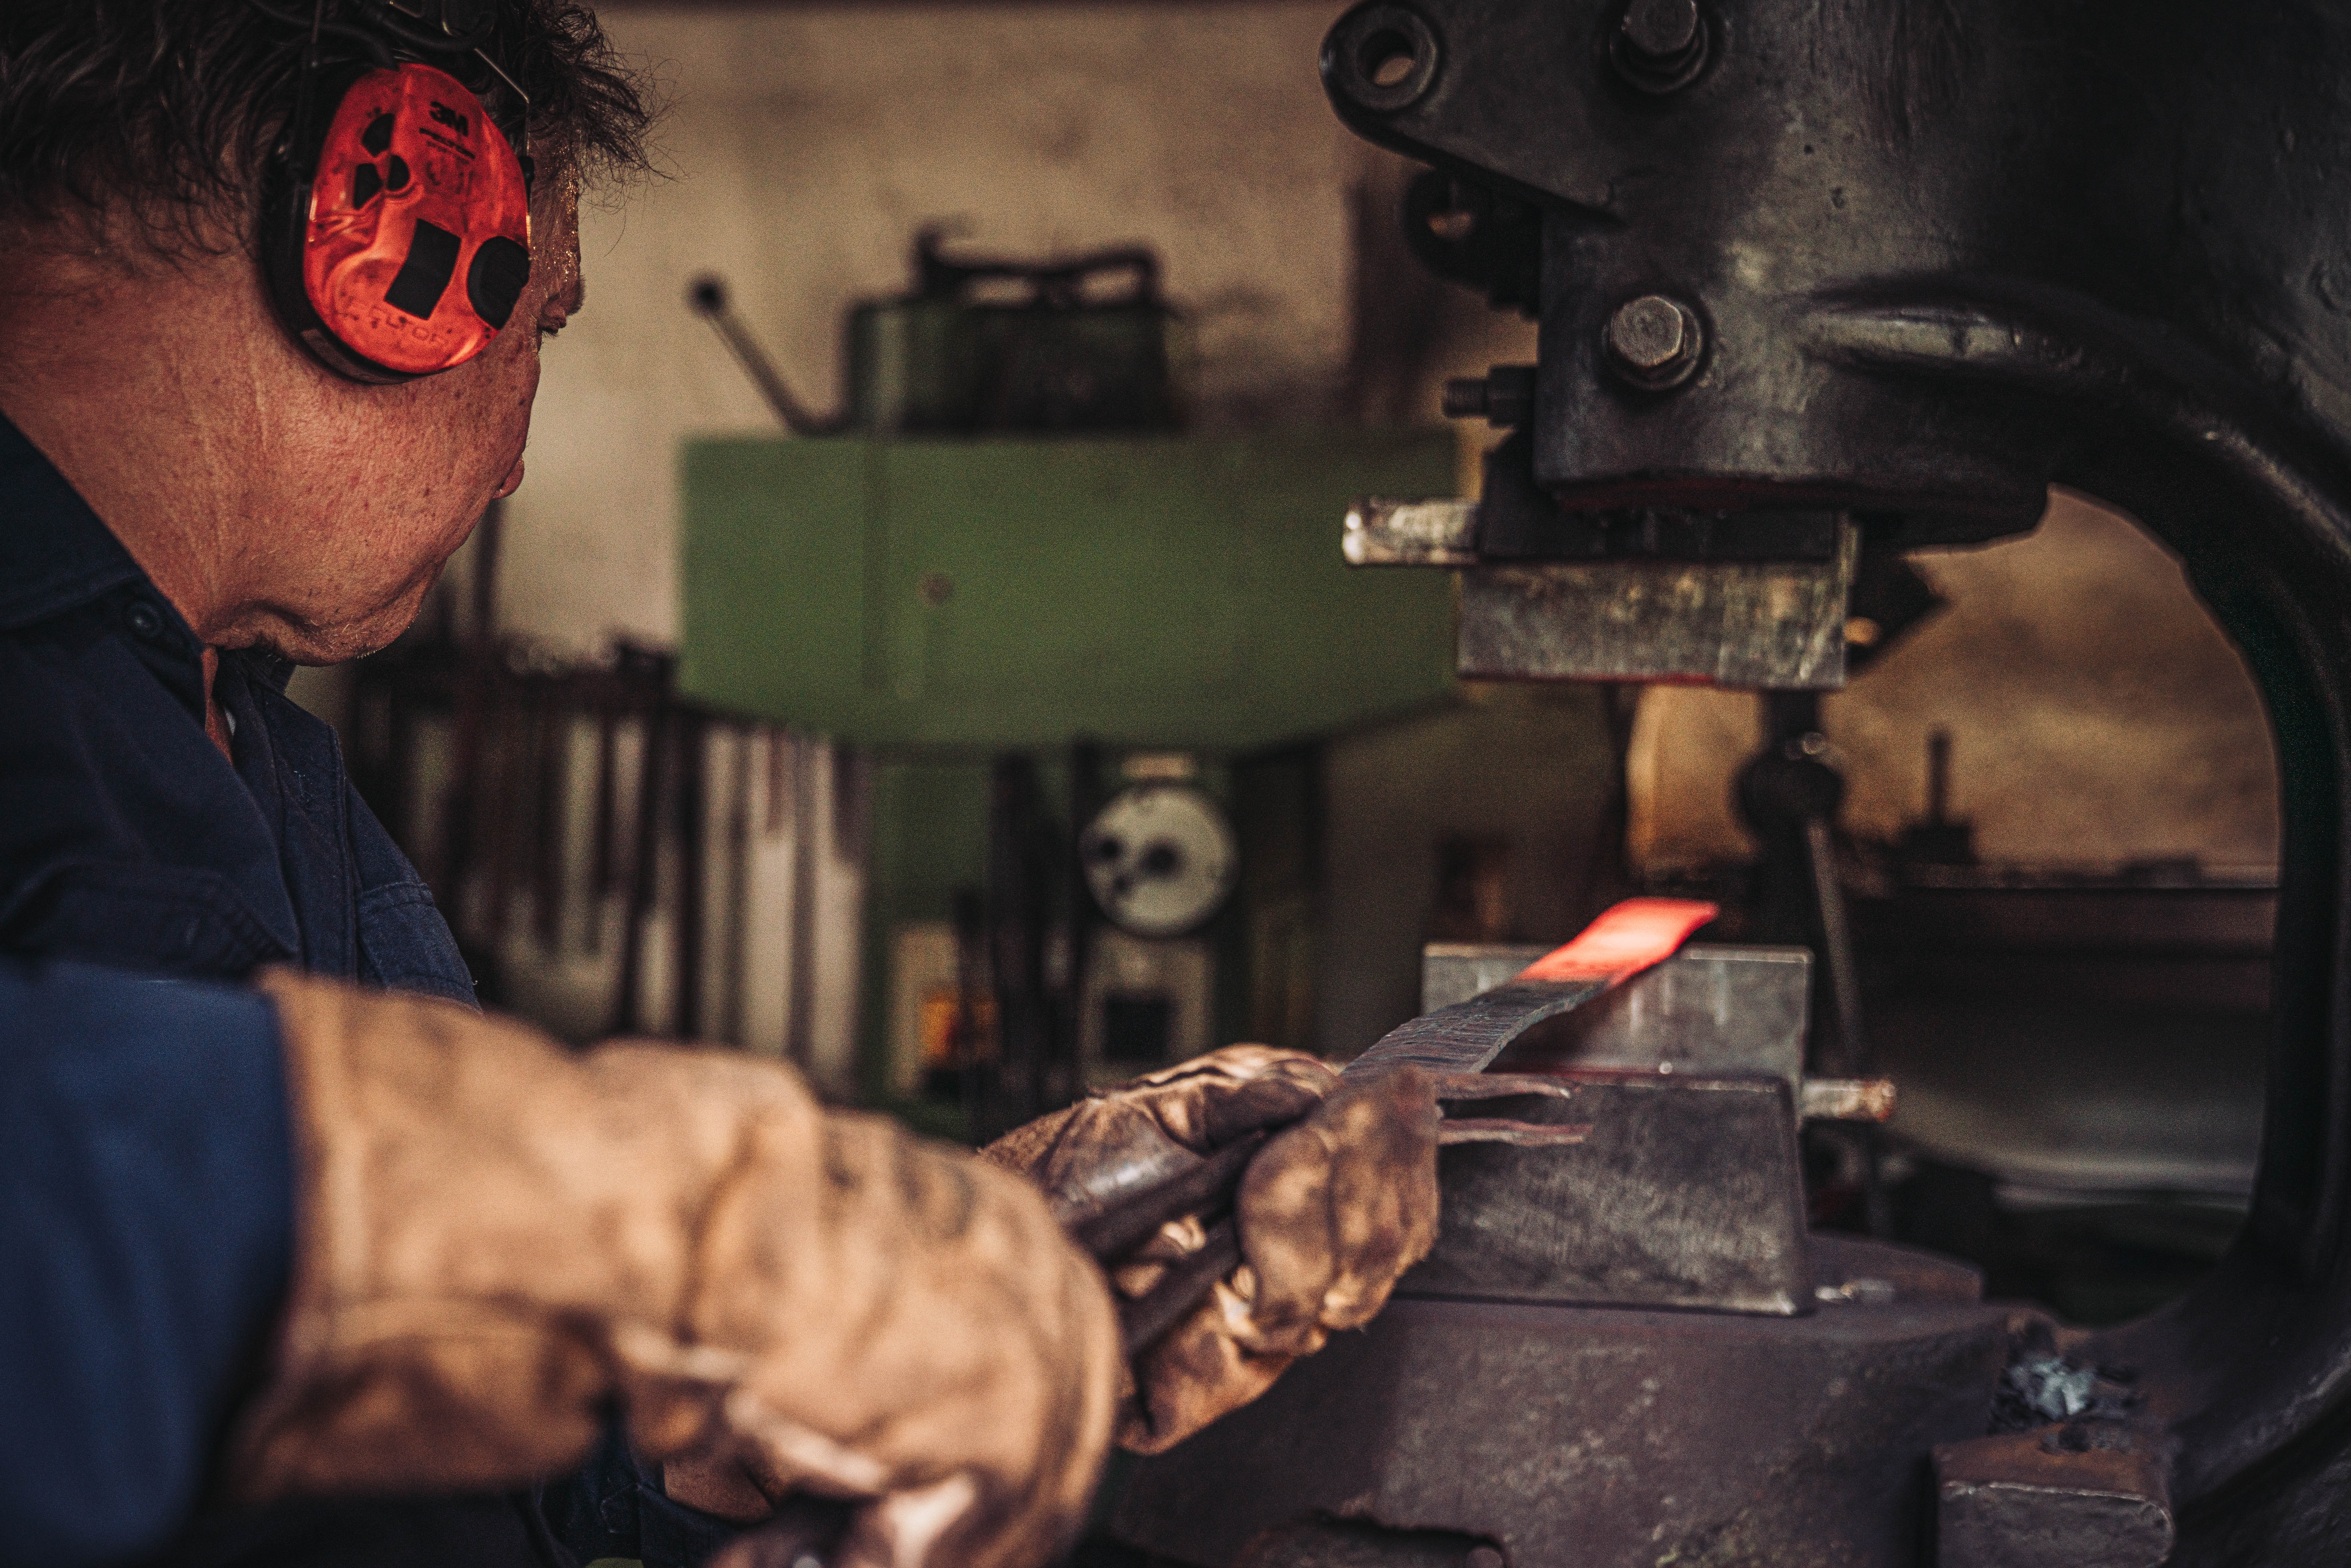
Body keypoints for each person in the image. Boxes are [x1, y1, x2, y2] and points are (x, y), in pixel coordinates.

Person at [0, 5, 1442, 1568]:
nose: (514, 463)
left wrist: (860, 1314)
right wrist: (675, 1233)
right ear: (390, 232)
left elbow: (457, 1443)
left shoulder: (262, 747)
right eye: (539, 326)